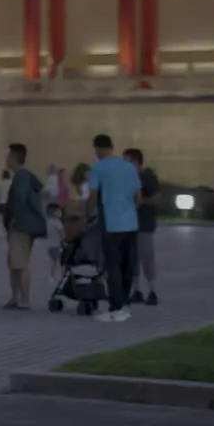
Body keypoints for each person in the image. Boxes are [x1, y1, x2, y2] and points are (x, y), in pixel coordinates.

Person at [88, 134, 141, 322]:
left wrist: (88, 215)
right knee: (128, 265)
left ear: (98, 149)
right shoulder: (129, 167)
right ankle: (125, 303)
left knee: (113, 266)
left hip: (111, 224)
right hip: (131, 223)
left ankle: (116, 307)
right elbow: (138, 198)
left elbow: (93, 197)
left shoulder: (98, 168)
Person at [4, 143, 46, 310]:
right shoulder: (27, 176)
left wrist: (13, 218)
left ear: (14, 158)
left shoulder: (21, 177)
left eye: (8, 156)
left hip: (21, 225)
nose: (6, 160)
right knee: (15, 262)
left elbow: (19, 199)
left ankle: (24, 299)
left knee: (20, 263)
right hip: (27, 224)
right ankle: (16, 297)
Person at [124, 148, 161, 306]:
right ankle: (136, 290)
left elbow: (157, 198)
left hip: (144, 224)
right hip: (128, 224)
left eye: (127, 160)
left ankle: (152, 290)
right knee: (132, 259)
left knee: (147, 258)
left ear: (136, 162)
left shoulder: (147, 177)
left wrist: (140, 202)